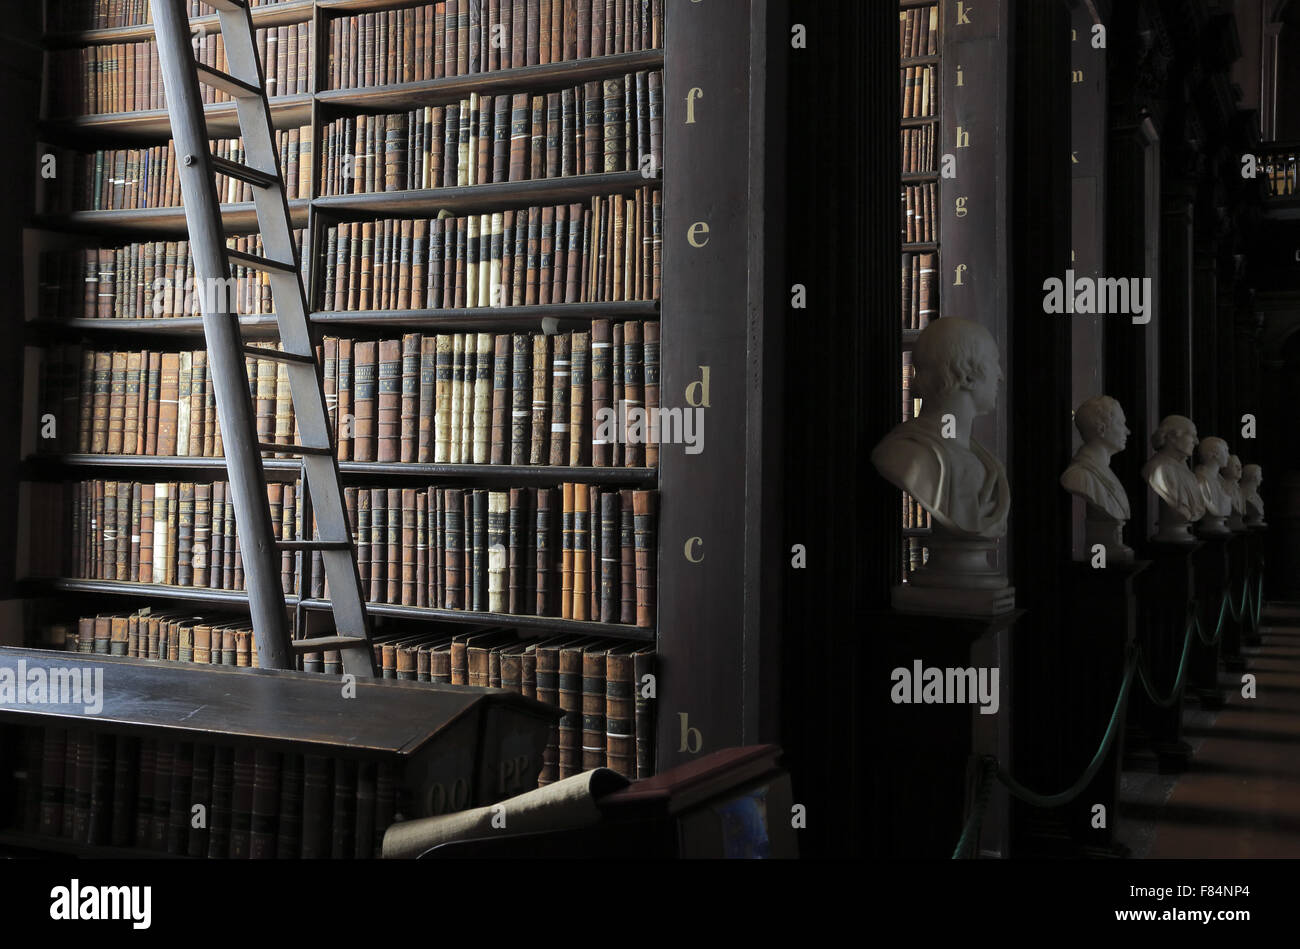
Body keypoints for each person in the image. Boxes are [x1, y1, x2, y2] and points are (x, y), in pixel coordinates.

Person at [871, 317, 1009, 538]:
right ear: (966, 373)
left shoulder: (986, 464)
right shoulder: (906, 455)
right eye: (994, 361)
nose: (1000, 375)